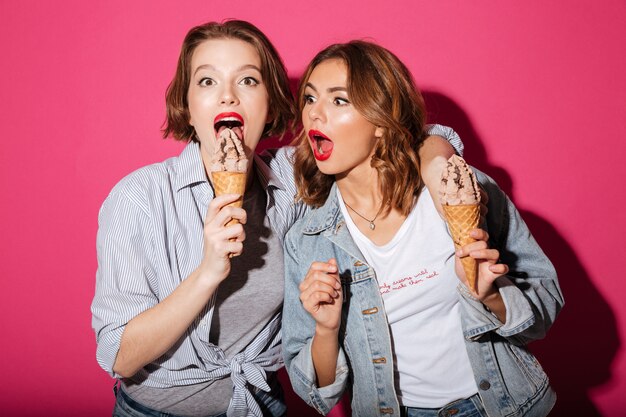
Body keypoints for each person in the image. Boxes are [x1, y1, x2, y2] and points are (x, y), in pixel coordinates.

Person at [91, 21, 463, 417]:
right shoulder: (140, 198)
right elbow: (119, 357)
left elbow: (410, 136)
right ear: (187, 105)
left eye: (248, 80)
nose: (227, 96)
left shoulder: (291, 179)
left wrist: (438, 166)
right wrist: (207, 273)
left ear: (270, 103)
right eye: (207, 82)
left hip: (262, 405)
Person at [282, 40, 564, 417]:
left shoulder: (459, 190)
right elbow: (317, 394)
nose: (315, 114)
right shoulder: (307, 242)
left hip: (504, 405)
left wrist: (493, 295)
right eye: (310, 99)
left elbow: (546, 301)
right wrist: (326, 330)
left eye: (338, 101)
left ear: (381, 122)